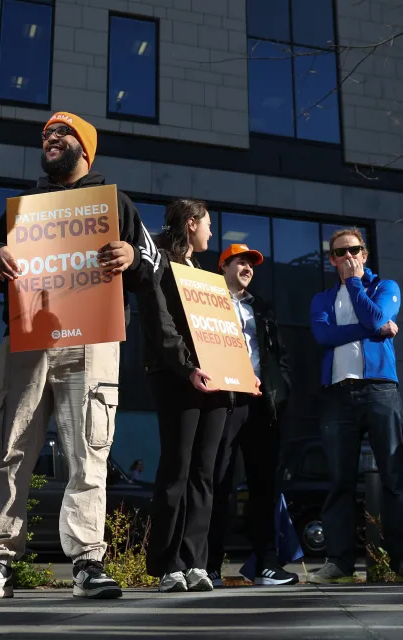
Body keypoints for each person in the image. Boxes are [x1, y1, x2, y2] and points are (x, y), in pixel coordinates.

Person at [0, 112, 161, 600]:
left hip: (91, 339)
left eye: (61, 133)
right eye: (46, 134)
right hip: (27, 337)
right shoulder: (23, 209)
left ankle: (88, 563)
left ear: (84, 148)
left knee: (88, 451)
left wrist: (132, 256)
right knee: (10, 449)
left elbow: (153, 266)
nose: (50, 138)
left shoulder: (115, 204)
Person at [138, 199, 256, 593]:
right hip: (179, 377)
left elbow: (223, 332)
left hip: (217, 382)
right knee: (177, 468)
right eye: (207, 224)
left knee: (204, 474)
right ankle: (169, 565)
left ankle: (196, 562)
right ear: (191, 223)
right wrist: (186, 366)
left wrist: (243, 375)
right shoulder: (159, 261)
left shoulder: (204, 274)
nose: (210, 232)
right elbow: (158, 320)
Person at [306, 228, 403, 584]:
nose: (347, 257)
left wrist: (356, 286)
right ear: (331, 260)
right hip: (337, 395)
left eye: (354, 250)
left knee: (393, 476)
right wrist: (375, 329)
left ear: (364, 254)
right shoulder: (322, 299)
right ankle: (339, 563)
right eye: (339, 252)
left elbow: (376, 317)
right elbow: (324, 335)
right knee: (339, 481)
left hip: (380, 391)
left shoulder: (385, 287)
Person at [205, 244, 298, 588]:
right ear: (223, 266)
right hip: (226, 401)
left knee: (264, 485)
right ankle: (210, 565)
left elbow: (278, 354)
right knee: (219, 482)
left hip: (262, 403)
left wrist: (280, 388)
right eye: (241, 262)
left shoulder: (263, 307)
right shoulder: (209, 301)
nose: (248, 268)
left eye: (252, 265)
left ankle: (266, 565)